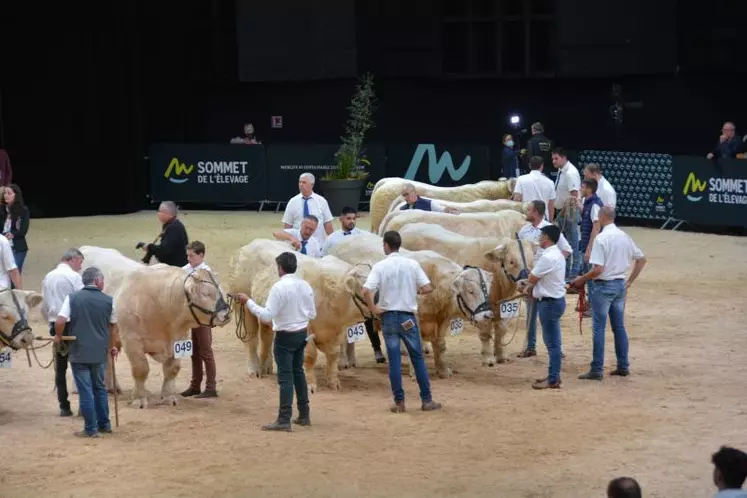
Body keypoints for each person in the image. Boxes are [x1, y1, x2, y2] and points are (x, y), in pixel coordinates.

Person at [362, 230, 442, 413]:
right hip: (408, 317)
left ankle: (399, 402)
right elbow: (428, 287)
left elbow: (366, 290)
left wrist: (374, 309)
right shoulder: (412, 264)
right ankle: (426, 400)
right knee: (417, 358)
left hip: (388, 317)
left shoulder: (380, 266)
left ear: (386, 245)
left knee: (394, 360)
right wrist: (414, 292)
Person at [236, 252, 316, 432]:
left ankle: (284, 418)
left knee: (285, 378)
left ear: (280, 268)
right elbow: (312, 314)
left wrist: (248, 302)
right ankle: (304, 413)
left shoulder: (279, 288)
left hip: (285, 336)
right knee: (298, 373)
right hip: (301, 334)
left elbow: (266, 316)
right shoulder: (305, 286)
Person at [571, 207, 647, 380]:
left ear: (602, 218)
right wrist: (629, 282)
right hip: (620, 285)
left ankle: (597, 369)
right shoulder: (625, 237)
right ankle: (623, 365)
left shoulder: (601, 239)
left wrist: (581, 279)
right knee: (619, 327)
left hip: (603, 287)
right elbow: (641, 259)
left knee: (599, 328)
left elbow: (598, 269)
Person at [54, 267, 121, 438]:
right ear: (97, 281)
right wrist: (113, 346)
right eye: (102, 280)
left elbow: (60, 320)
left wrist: (59, 336)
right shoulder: (109, 300)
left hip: (79, 352)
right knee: (100, 388)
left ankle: (90, 429)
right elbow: (113, 326)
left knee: (86, 391)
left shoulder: (72, 298)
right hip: (99, 352)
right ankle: (104, 425)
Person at [322, 206, 386, 364]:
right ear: (341, 219)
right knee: (343, 319)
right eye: (348, 218)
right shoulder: (332, 239)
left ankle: (376, 349)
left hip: (361, 284)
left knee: (367, 316)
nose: (351, 221)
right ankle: (344, 354)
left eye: (354, 219)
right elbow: (323, 259)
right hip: (342, 284)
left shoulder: (364, 237)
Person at [515, 200, 571, 359]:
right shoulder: (523, 231)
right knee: (530, 314)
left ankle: (556, 349)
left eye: (529, 210)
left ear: (536, 212)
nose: (527, 212)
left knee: (550, 316)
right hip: (531, 275)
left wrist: (552, 268)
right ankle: (530, 347)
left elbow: (566, 250)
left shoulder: (550, 230)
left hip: (543, 277)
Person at [521, 225, 566, 389]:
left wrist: (527, 287)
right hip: (555, 301)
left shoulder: (548, 257)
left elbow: (533, 277)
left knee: (552, 344)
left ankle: (553, 379)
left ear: (546, 238)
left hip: (549, 303)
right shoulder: (557, 254)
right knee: (554, 343)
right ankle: (553, 375)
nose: (539, 238)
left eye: (541, 236)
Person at [42, 248, 85, 417]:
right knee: (80, 365)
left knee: (60, 368)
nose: (80, 266)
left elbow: (44, 305)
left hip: (55, 323)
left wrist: (51, 325)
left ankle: (64, 406)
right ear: (73, 259)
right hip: (72, 324)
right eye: (80, 262)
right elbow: (81, 301)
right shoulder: (74, 277)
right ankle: (84, 405)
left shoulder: (48, 276)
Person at [180, 241, 218, 399]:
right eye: (188, 255)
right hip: (192, 317)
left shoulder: (206, 273)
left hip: (203, 317)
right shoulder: (186, 269)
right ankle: (195, 385)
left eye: (192, 256)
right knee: (194, 352)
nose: (189, 258)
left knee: (205, 351)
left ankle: (211, 387)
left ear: (201, 255)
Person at [551, 147, 581, 279]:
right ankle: (566, 272)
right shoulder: (562, 171)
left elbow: (574, 196)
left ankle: (573, 275)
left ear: (564, 158)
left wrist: (563, 213)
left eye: (556, 158)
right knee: (564, 244)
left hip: (569, 213)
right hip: (562, 212)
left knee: (572, 244)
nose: (554, 161)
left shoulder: (570, 173)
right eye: (553, 158)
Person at [282, 172, 334, 247]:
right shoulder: (292, 202)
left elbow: (327, 223)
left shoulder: (321, 201)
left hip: (318, 245)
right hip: (298, 244)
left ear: (312, 185)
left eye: (304, 182)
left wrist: (332, 241)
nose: (301, 184)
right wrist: (288, 242)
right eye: (299, 182)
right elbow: (288, 225)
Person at [579, 178, 604, 315]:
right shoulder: (589, 203)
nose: (581, 189)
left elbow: (596, 227)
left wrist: (590, 248)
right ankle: (591, 304)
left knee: (591, 279)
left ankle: (593, 307)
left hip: (591, 247)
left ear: (589, 189)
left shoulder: (594, 205)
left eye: (582, 187)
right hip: (587, 245)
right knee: (589, 277)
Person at [140, 201, 189, 267]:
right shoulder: (173, 224)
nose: (158, 213)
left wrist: (149, 247)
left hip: (176, 269)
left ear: (168, 214)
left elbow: (164, 250)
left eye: (160, 211)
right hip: (174, 265)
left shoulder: (174, 227)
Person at [512, 156, 556, 222]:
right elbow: (551, 205)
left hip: (526, 218)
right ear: (542, 166)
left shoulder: (521, 179)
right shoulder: (550, 182)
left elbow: (517, 199)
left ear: (529, 165)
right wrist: (550, 222)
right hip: (543, 219)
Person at [1, 183, 30, 274]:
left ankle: (17, 288)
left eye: (9, 193)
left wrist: (13, 234)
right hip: (3, 246)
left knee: (15, 273)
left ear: (16, 195)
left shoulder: (23, 210)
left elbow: (23, 230)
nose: (6, 195)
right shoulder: (1, 210)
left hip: (17, 248)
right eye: (5, 193)